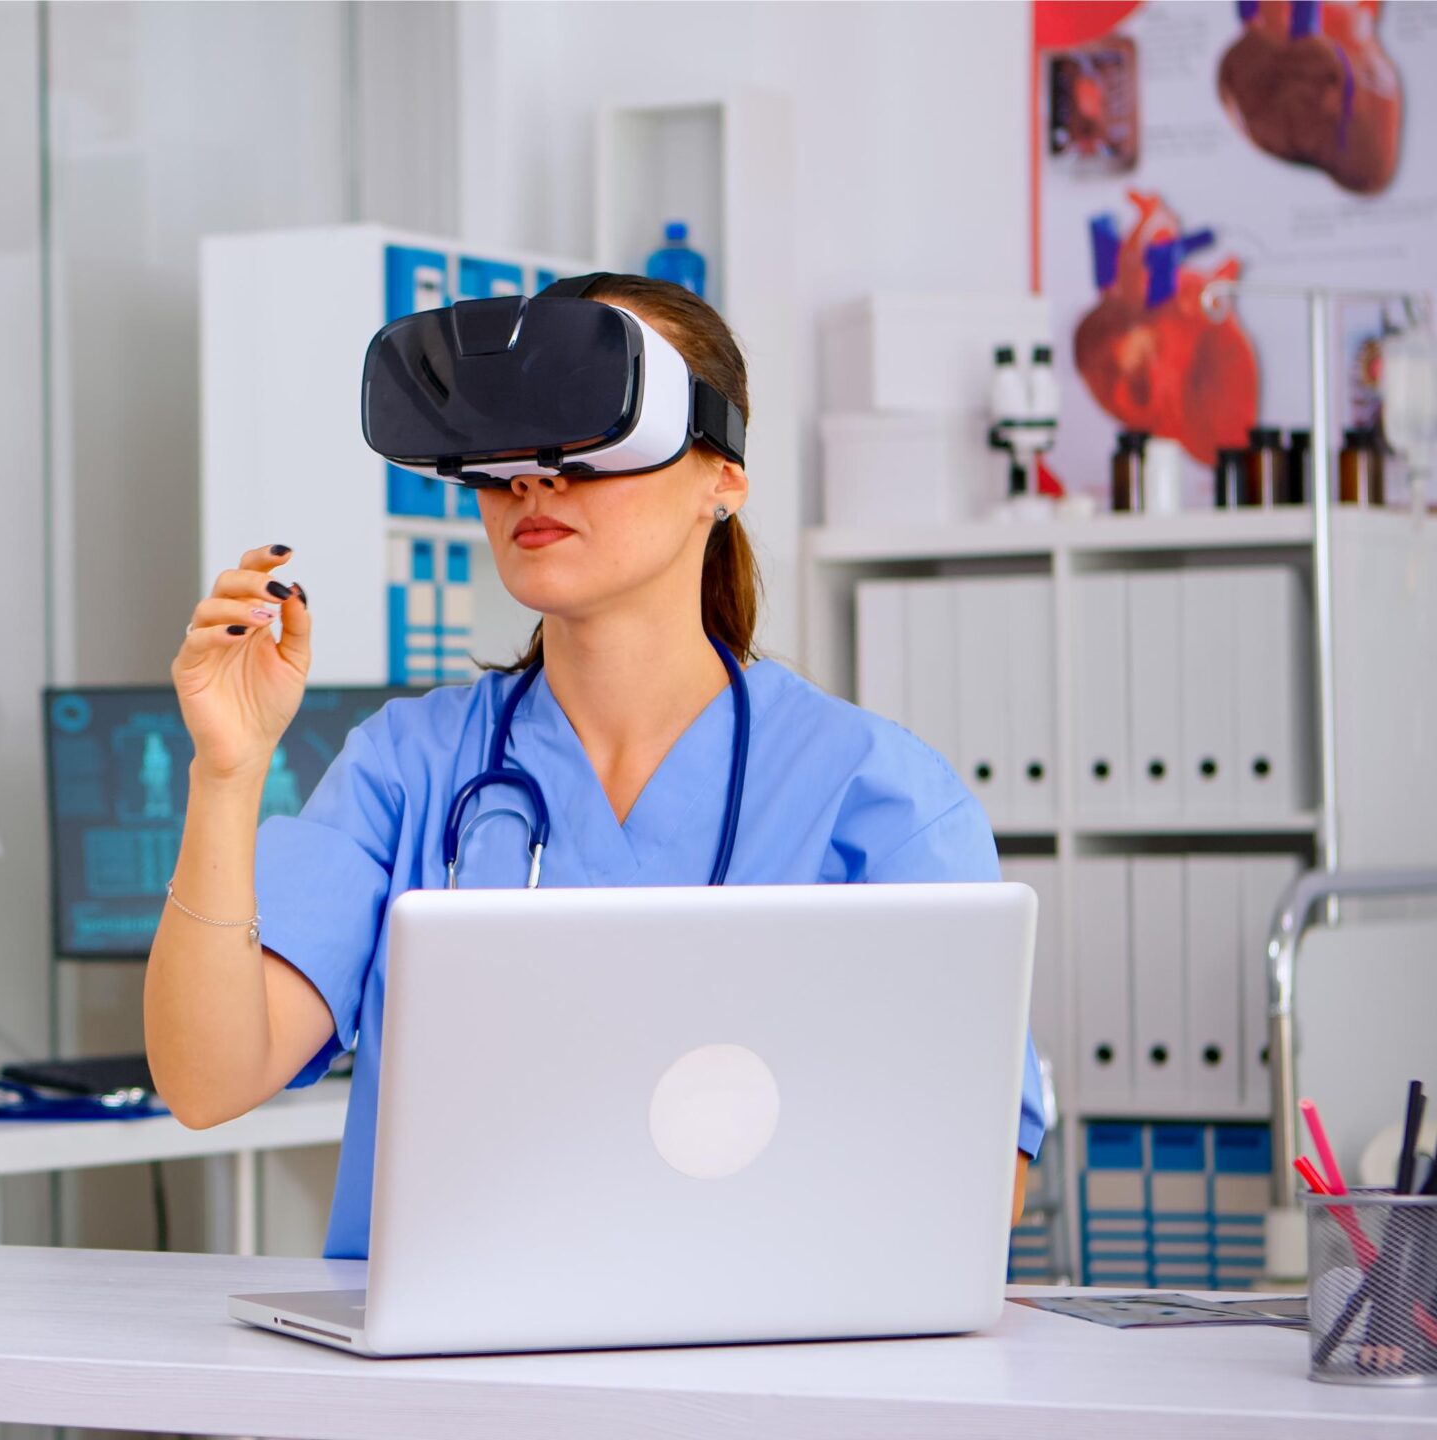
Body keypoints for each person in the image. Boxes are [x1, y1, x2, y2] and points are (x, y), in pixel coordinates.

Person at [145, 274, 1045, 1262]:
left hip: (742, 1372)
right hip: (438, 1380)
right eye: (510, 443)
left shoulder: (874, 794)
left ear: (724, 476)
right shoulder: (407, 768)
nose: (535, 478)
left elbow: (977, 1178)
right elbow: (206, 1081)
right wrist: (226, 774)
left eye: (588, 430)